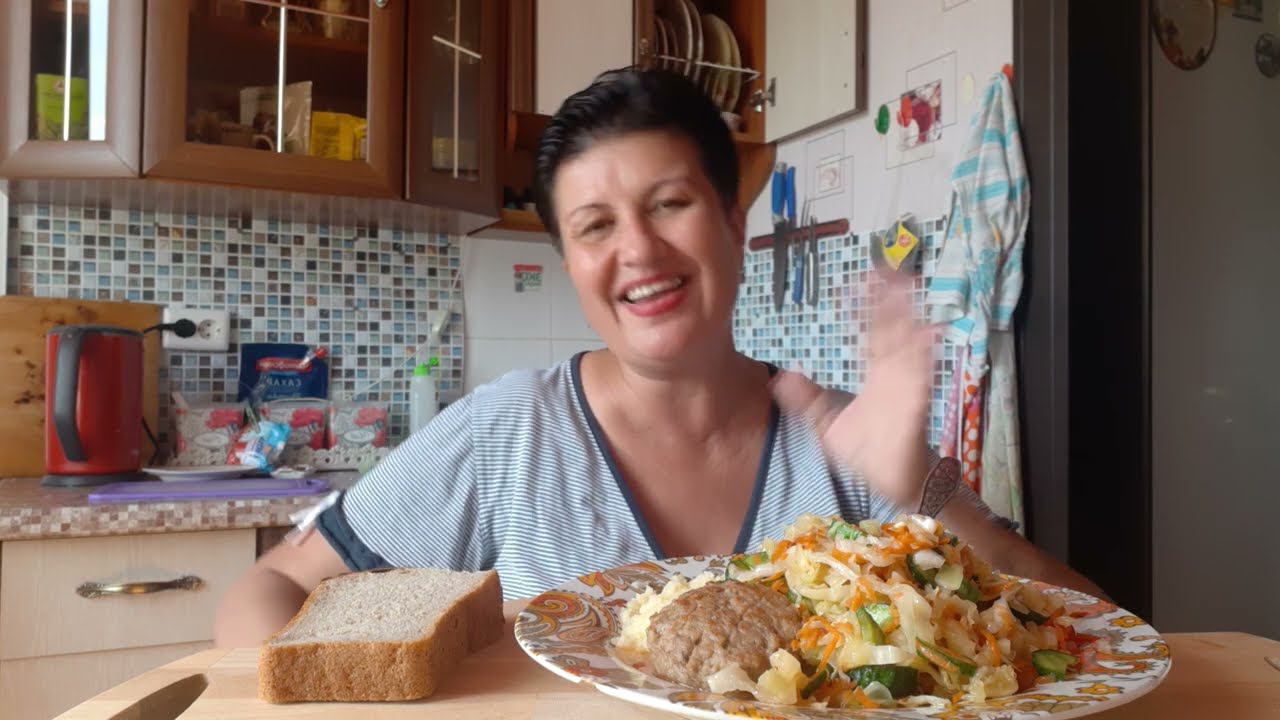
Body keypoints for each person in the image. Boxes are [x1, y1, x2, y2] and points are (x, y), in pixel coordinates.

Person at [215, 69, 1102, 647]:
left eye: (669, 204)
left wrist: (919, 490)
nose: (637, 250)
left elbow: (1093, 630)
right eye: (596, 227)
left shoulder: (846, 441)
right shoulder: (503, 434)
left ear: (733, 224)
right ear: (571, 264)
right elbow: (272, 588)